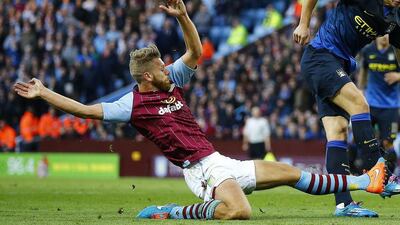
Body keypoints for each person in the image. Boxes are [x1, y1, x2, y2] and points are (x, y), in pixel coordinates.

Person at [14, 0, 399, 221]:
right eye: (161, 68)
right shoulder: (131, 104)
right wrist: (46, 92)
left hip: (219, 160)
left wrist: (183, 17)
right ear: (147, 77)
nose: (169, 68)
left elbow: (195, 52)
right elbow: (84, 109)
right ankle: (173, 211)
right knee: (240, 212)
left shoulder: (174, 81)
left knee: (291, 174)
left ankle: (365, 183)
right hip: (198, 172)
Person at [293, 0, 400, 217]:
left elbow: (398, 47)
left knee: (338, 133)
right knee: (359, 104)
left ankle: (343, 205)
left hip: (340, 64)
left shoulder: (396, 18)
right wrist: (304, 24)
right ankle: (379, 174)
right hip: (321, 55)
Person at [357, 35, 400, 173]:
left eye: (387, 34)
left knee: (388, 143)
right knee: (366, 140)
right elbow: (363, 72)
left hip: (390, 106)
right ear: (375, 36)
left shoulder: (396, 51)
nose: (385, 37)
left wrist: (398, 76)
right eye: (381, 34)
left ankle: (389, 176)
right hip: (370, 105)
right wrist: (360, 90)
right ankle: (366, 173)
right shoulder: (368, 51)